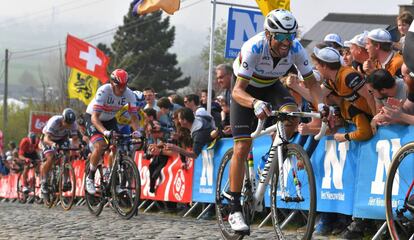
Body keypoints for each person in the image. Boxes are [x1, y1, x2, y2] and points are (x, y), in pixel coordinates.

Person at [227, 9, 324, 232]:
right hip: (246, 90)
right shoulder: (254, 47)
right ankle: (233, 208)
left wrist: (324, 107)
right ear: (268, 34)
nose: (286, 42)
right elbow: (237, 92)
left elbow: (313, 85)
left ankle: (273, 157)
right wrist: (254, 103)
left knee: (291, 114)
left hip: (271, 86)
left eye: (290, 36)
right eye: (280, 36)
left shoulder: (296, 49)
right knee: (242, 145)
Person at [84, 69, 141, 194]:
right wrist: (104, 132)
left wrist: (138, 132)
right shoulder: (104, 90)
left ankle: (112, 178)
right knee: (101, 145)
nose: (121, 89)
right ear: (112, 82)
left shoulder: (129, 94)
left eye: (124, 86)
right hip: (93, 118)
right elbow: (95, 117)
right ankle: (90, 177)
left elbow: (134, 117)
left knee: (116, 146)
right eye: (118, 85)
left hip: (110, 119)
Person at [40, 108, 79, 198]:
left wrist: (76, 147)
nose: (68, 126)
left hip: (62, 138)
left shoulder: (73, 124)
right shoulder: (54, 122)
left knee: (66, 155)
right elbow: (46, 139)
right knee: (51, 158)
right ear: (63, 119)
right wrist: (53, 144)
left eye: (70, 124)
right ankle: (44, 182)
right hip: (49, 139)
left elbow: (75, 139)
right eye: (67, 123)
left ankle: (65, 181)